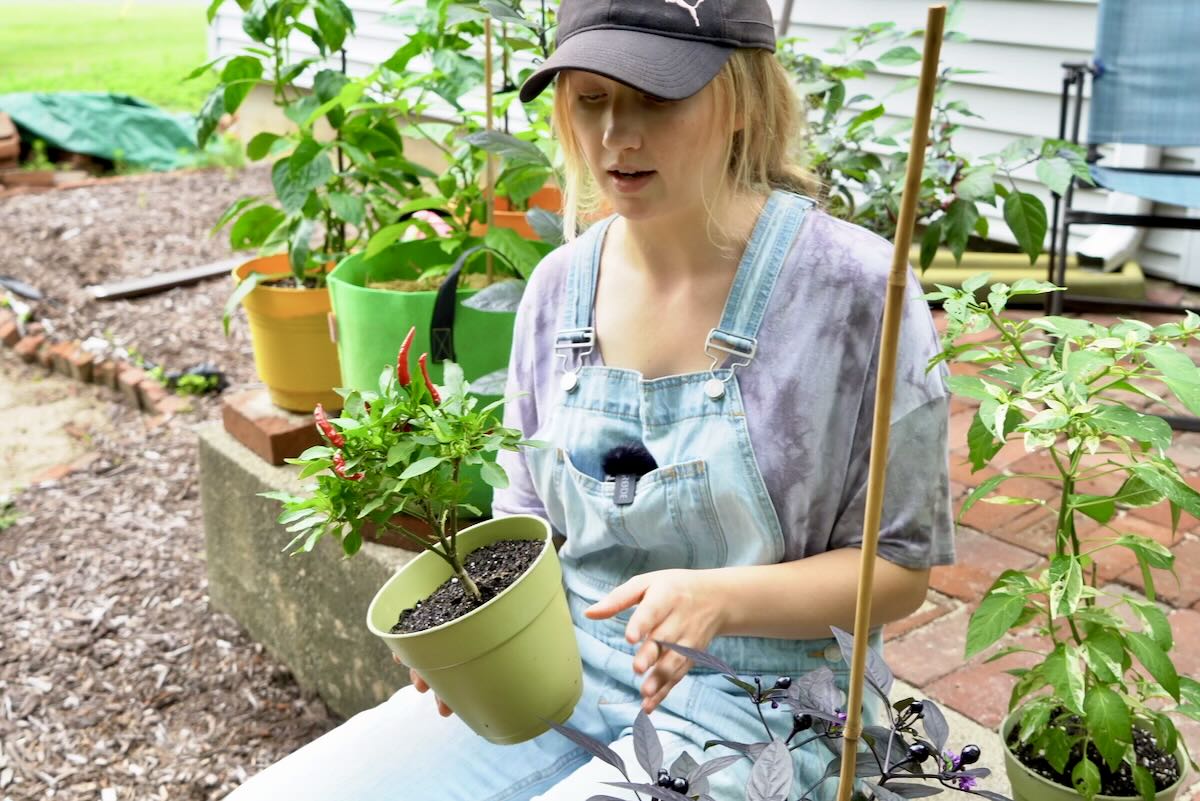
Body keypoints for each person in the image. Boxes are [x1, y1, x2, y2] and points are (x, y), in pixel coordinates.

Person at [229, 0, 954, 798]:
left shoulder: (852, 291)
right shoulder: (558, 289)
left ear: (744, 97)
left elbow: (899, 569)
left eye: (657, 97)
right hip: (560, 666)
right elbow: (528, 518)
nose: (617, 137)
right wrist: (473, 635)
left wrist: (719, 597)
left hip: (768, 705)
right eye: (592, 97)